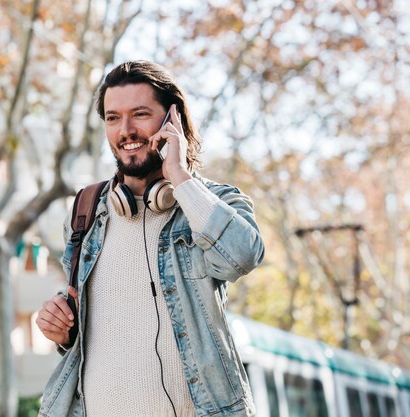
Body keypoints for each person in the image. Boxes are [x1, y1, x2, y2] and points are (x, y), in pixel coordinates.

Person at [36, 61, 265, 417]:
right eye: (113, 118)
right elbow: (87, 330)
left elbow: (243, 256)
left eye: (139, 114)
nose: (125, 130)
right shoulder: (85, 210)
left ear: (173, 119)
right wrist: (63, 329)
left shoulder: (213, 203)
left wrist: (179, 176)